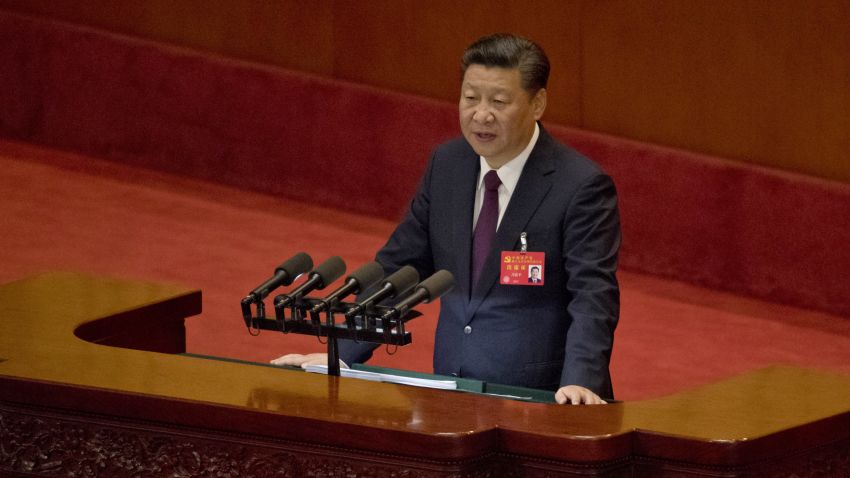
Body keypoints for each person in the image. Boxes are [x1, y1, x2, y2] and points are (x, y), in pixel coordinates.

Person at [273, 33, 620, 405]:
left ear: (538, 103)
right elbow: (400, 268)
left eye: (499, 101)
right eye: (470, 98)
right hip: (452, 394)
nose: (480, 114)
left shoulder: (579, 186)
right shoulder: (448, 166)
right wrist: (341, 354)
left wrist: (581, 381)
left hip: (541, 399)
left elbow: (592, 295)